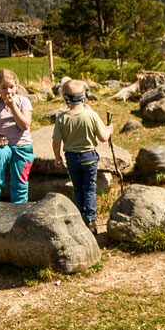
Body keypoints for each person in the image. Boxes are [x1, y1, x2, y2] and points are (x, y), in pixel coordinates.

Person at [52, 78, 111, 230]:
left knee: (77, 187)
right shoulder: (91, 115)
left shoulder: (62, 118)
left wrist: (57, 157)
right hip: (89, 157)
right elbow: (103, 137)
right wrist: (110, 129)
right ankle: (91, 219)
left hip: (72, 158)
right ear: (84, 97)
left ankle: (79, 215)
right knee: (90, 187)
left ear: (65, 98)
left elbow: (56, 141)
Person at [0, 68, 34, 203]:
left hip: (22, 146)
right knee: (1, 154)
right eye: (4, 87)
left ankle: (19, 208)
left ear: (16, 86)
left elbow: (25, 125)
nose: (8, 91)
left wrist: (13, 106)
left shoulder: (23, 102)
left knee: (19, 182)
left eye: (11, 87)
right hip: (5, 145)